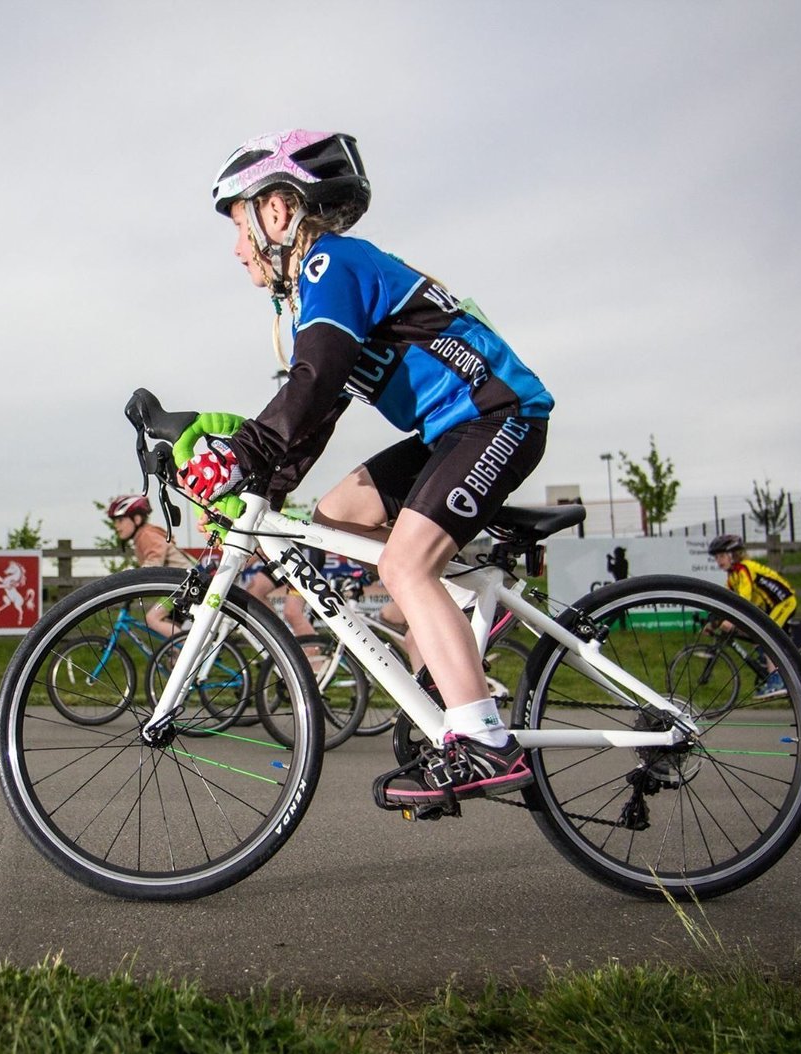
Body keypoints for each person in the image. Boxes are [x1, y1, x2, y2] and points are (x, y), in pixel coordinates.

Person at [177, 129, 554, 810]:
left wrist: (242, 453)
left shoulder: (333, 265)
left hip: (498, 415)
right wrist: (260, 486)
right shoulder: (321, 291)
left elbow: (313, 383)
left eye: (238, 225)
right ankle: (460, 620)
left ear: (278, 212)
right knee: (334, 518)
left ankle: (484, 740)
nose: (236, 250)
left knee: (405, 566)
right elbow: (316, 417)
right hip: (450, 429)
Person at [707, 532, 797, 698]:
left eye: (721, 556)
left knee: (768, 638)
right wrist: (713, 621)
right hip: (768, 606)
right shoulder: (732, 575)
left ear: (733, 555)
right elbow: (725, 599)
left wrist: (730, 621)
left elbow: (743, 600)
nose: (718, 561)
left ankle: (777, 681)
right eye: (716, 557)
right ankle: (772, 663)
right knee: (756, 635)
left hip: (783, 602)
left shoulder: (744, 568)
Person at [106, 493, 195, 638]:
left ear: (137, 518)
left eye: (120, 520)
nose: (116, 526)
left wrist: (130, 578)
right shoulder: (142, 536)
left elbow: (154, 562)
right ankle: (179, 656)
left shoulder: (146, 534)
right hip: (180, 586)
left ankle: (190, 654)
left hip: (183, 586)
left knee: (153, 618)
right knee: (171, 635)